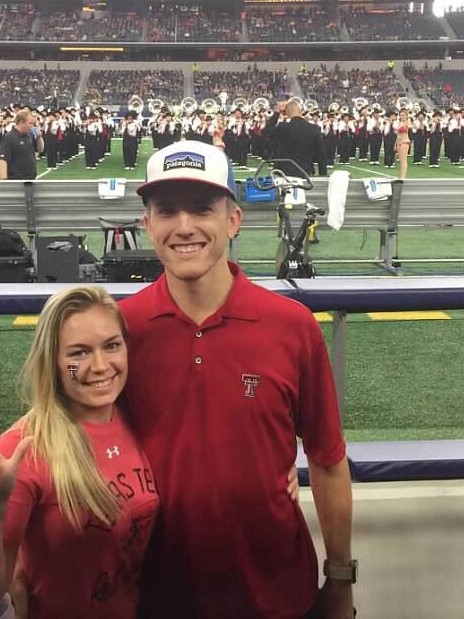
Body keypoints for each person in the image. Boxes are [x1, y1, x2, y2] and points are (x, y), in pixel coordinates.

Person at [120, 140, 356, 619]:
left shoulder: (291, 326)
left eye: (202, 208)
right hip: (152, 597)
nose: (184, 227)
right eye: (166, 211)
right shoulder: (119, 329)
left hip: (276, 594)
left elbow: (328, 462)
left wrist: (340, 579)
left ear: (233, 220)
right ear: (147, 226)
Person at [0, 285, 160, 619]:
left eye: (111, 346)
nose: (99, 366)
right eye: (78, 354)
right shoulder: (25, 448)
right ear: (53, 362)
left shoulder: (136, 420)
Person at [0, 109, 41, 180]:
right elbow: (3, 160)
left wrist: (39, 137)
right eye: (30, 123)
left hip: (31, 179)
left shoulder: (30, 135)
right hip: (16, 180)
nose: (32, 126)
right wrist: (4, 181)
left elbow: (40, 149)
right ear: (21, 122)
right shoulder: (9, 137)